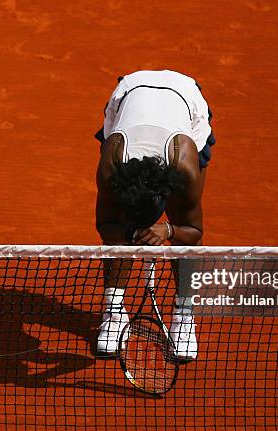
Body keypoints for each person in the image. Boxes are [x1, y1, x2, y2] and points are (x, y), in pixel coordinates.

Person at [94, 70, 215, 360]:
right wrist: (129, 234)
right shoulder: (112, 164)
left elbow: (193, 232)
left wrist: (170, 231)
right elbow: (104, 225)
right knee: (118, 236)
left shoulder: (184, 166)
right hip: (129, 93)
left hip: (186, 100)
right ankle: (113, 310)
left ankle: (184, 314)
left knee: (184, 237)